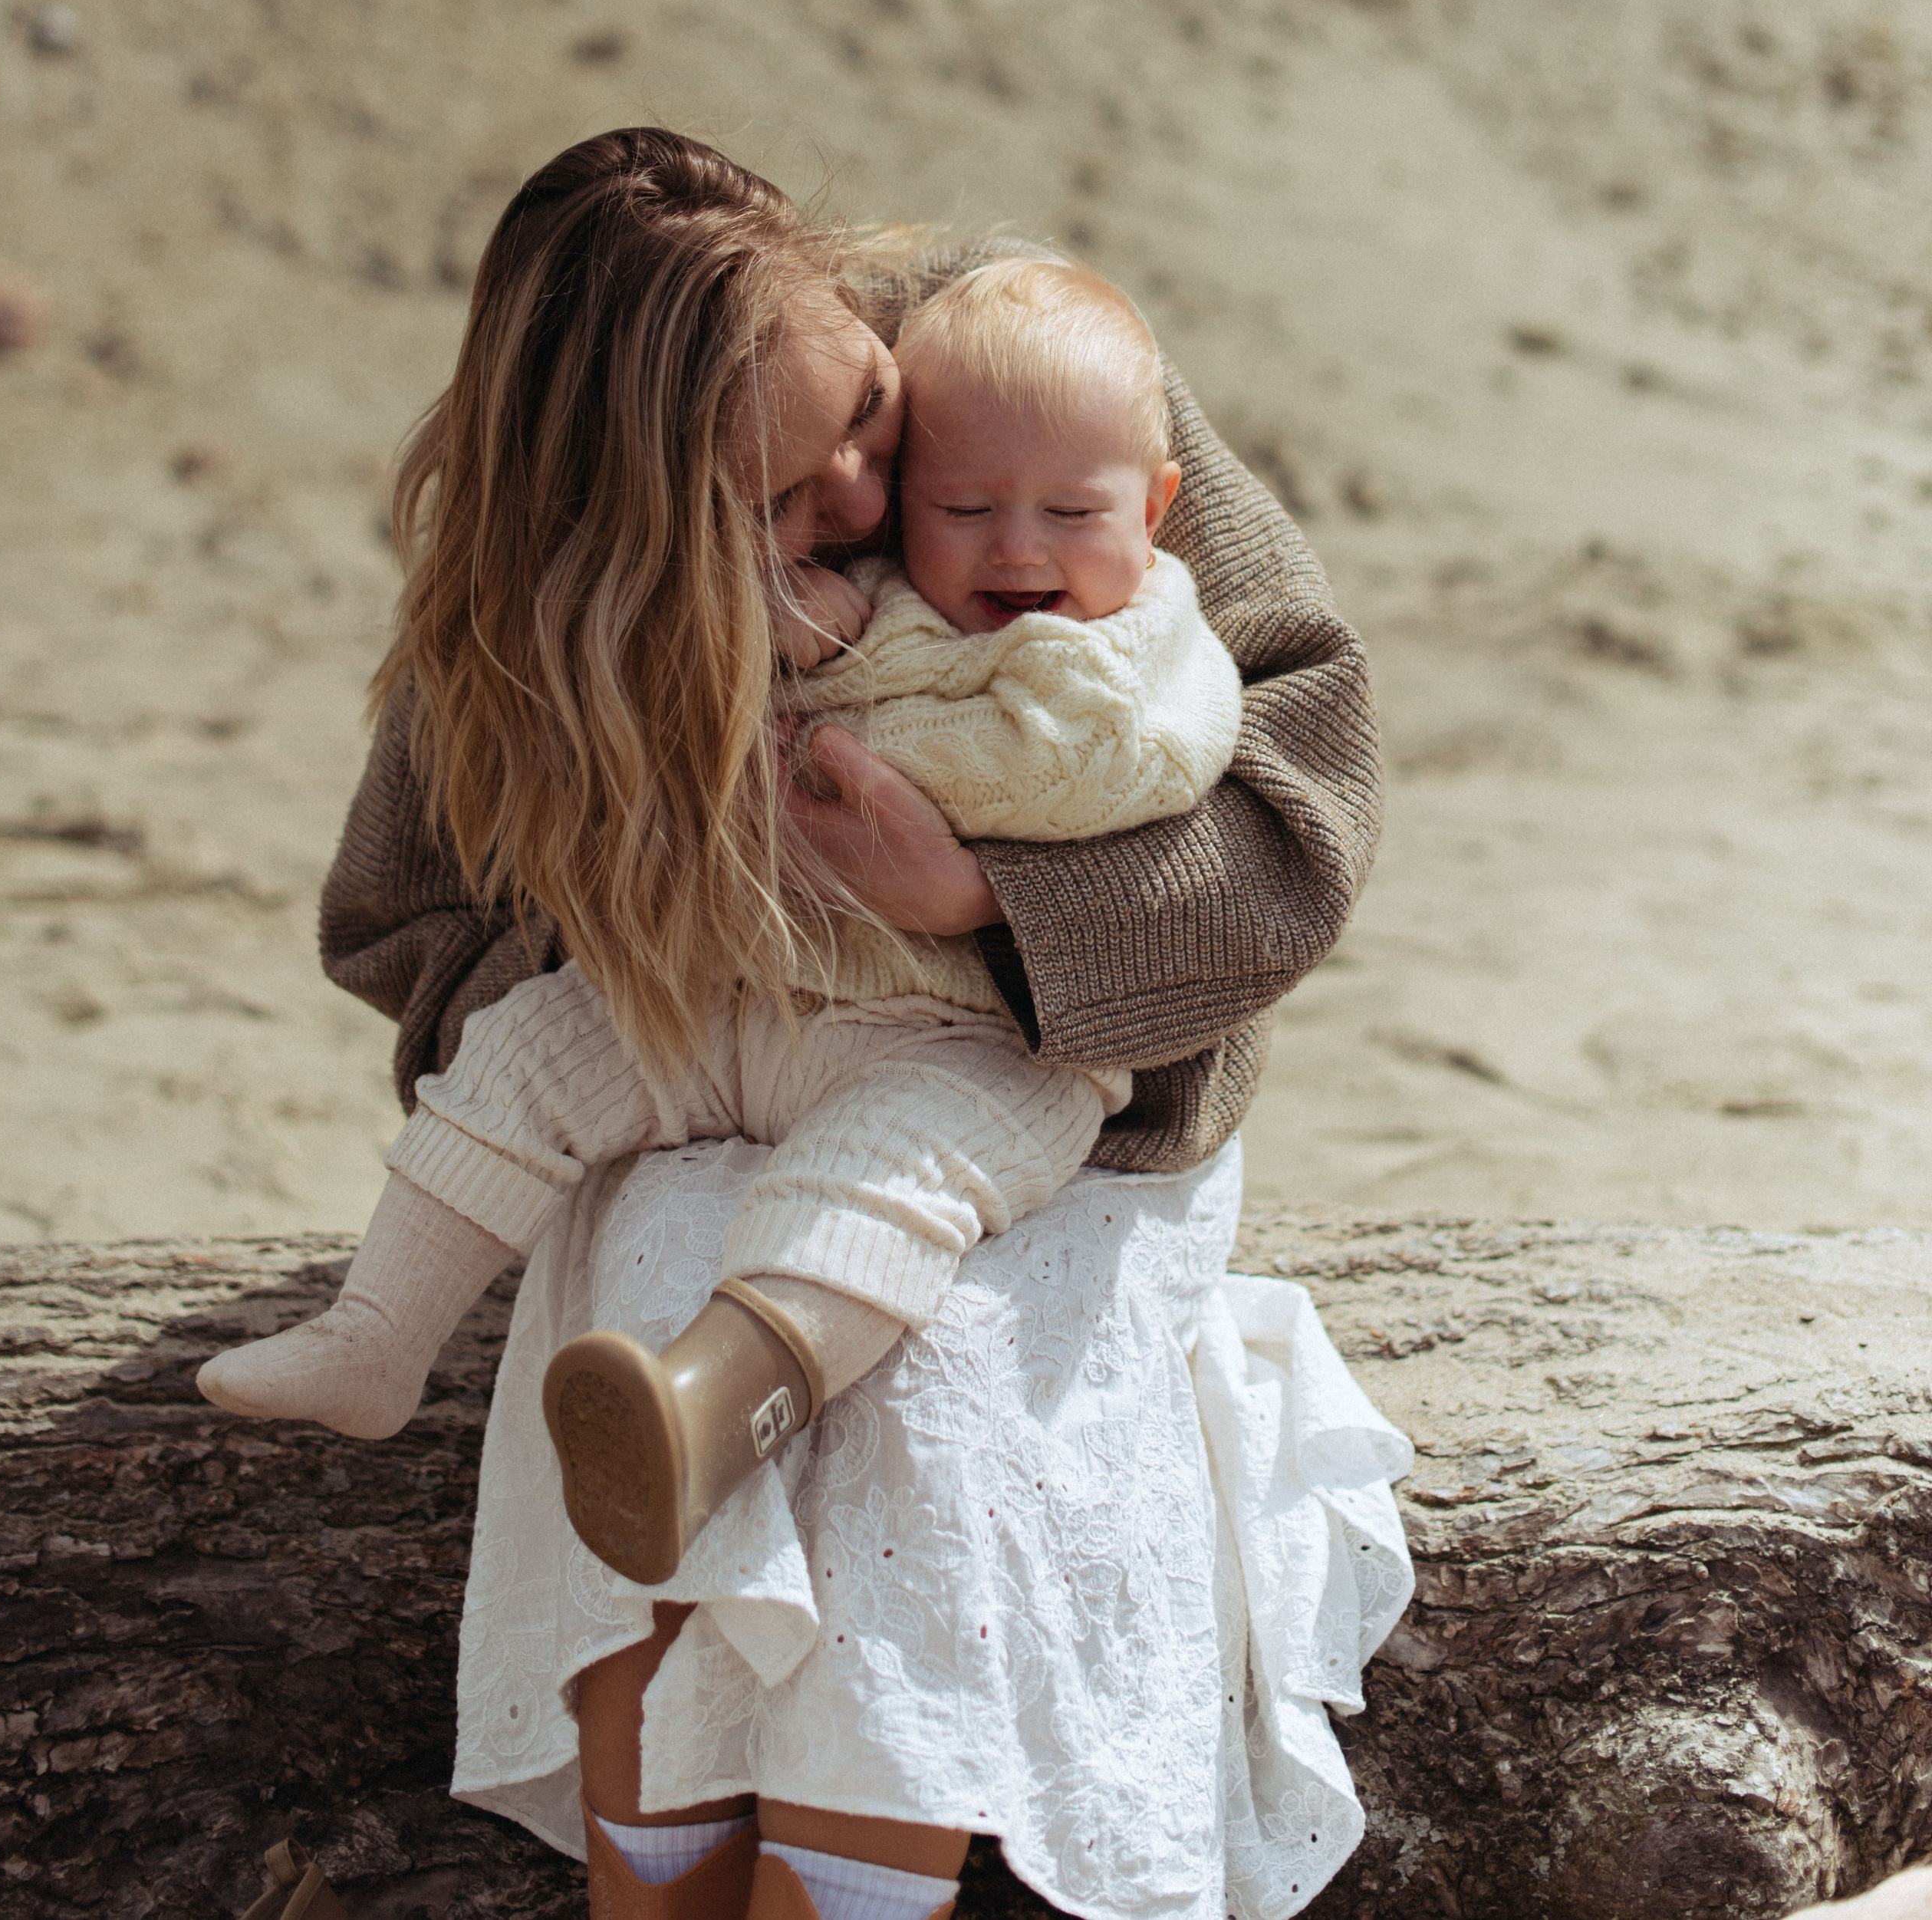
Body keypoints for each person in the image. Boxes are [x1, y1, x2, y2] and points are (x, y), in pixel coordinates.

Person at [252, 132, 1411, 1920]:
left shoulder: (1012, 362)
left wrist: (982, 906)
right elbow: (406, 919)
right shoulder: (540, 584)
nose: (874, 489)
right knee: (653, 1300)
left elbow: (1304, 772)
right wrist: (683, 944)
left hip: (1043, 1076)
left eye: (865, 413)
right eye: (788, 496)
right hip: (692, 1081)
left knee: (934, 1396)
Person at [199, 252, 1246, 1594]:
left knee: (880, 1186)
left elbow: (1099, 764)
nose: (1017, 549)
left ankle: (712, 1407)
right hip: (749, 1005)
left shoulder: (1141, 643)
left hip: (964, 1044)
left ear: (1154, 509)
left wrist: (869, 766)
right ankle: (375, 1334)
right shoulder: (890, 590)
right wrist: (766, 636)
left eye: (1069, 513)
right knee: (535, 1046)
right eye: (964, 507)